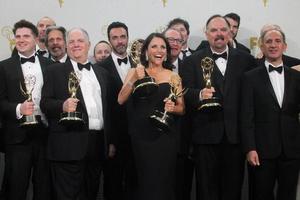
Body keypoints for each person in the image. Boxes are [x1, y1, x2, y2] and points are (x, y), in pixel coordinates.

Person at [180, 15, 256, 200]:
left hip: (235, 138)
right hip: (205, 137)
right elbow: (184, 93)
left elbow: (252, 99)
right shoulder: (191, 61)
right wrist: (199, 95)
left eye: (223, 29)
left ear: (230, 33)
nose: (219, 34)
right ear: (206, 34)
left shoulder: (246, 60)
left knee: (233, 190)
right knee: (206, 191)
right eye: (214, 30)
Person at [40, 27, 114, 200]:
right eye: (71, 42)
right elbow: (44, 103)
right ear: (66, 46)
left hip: (97, 144)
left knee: (92, 192)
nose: (75, 45)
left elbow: (108, 110)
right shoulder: (54, 71)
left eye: (80, 41)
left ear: (88, 45)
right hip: (68, 144)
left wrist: (110, 141)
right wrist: (62, 105)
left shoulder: (102, 73)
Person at [118, 32, 185, 200]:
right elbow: (120, 99)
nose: (159, 50)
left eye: (163, 47)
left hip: (164, 138)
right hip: (140, 136)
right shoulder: (134, 71)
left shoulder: (173, 76)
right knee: (142, 182)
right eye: (154, 46)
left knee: (163, 182)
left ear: (167, 52)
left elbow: (181, 108)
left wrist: (172, 108)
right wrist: (134, 78)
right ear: (146, 51)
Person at [241, 26, 300, 200]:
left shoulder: (296, 77)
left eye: (277, 41)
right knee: (261, 195)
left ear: (284, 46)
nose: (273, 45)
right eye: (268, 41)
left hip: (291, 150)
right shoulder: (250, 77)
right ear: (261, 46)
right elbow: (246, 116)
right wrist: (250, 148)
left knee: (288, 195)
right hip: (262, 151)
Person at [0, 19, 52, 200]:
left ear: (36, 38)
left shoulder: (49, 65)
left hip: (45, 134)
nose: (21, 40)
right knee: (16, 186)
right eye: (18, 36)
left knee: (44, 187)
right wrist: (18, 108)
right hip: (17, 136)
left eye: (26, 36)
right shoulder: (3, 66)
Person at [96, 21, 136, 200]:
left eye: (123, 37)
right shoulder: (99, 69)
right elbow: (103, 108)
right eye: (115, 38)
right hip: (115, 139)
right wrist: (110, 141)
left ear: (128, 38)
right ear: (109, 40)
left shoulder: (140, 64)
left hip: (137, 137)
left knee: (135, 182)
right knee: (113, 183)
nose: (120, 41)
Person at [163, 28, 194, 200]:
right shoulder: (153, 67)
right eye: (170, 40)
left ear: (183, 44)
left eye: (178, 40)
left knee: (183, 186)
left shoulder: (191, 64)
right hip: (159, 136)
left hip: (185, 137)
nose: (174, 44)